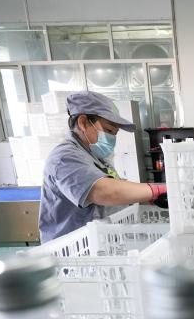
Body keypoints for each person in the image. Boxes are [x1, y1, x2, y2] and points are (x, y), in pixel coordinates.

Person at [38, 91, 166, 243]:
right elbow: (105, 192)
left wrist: (142, 196)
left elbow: (116, 187)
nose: (112, 138)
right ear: (83, 122)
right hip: (75, 250)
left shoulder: (95, 156)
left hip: (100, 243)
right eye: (108, 130)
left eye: (115, 133)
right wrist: (156, 190)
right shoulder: (64, 157)